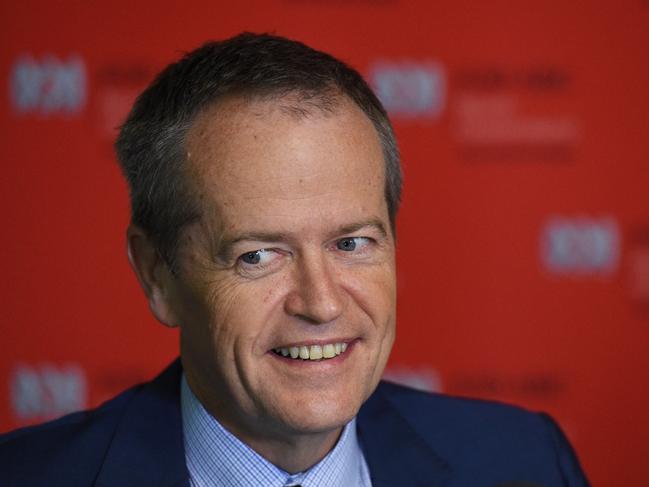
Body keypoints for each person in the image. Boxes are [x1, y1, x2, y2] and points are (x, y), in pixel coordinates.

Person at [0, 33, 589, 486]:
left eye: (352, 243)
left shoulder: (525, 460)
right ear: (158, 274)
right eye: (258, 255)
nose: (322, 302)